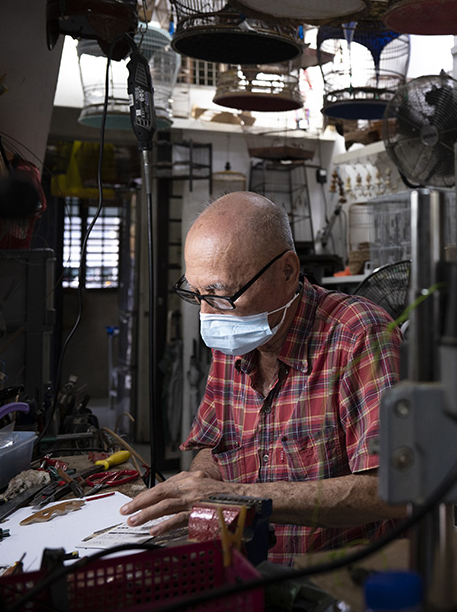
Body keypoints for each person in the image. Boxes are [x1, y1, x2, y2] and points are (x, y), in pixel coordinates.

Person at [121, 191, 405, 563]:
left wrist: (242, 497)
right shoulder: (233, 338)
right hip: (248, 571)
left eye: (221, 294)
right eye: (197, 295)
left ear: (287, 271)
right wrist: (201, 486)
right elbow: (214, 445)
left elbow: (390, 491)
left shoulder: (359, 337)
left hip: (333, 586)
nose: (208, 314)